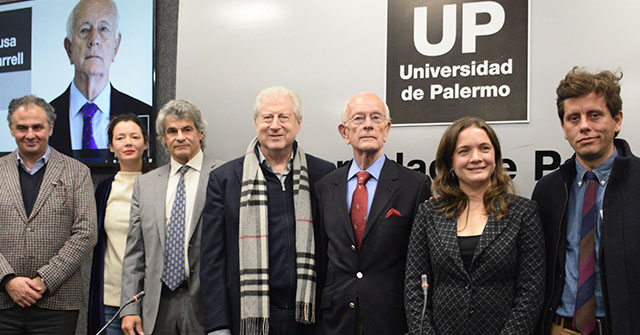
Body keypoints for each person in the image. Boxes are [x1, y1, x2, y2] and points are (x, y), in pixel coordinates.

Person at [200, 86, 335, 335]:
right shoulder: (226, 179)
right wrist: (218, 326)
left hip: (308, 318)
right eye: (267, 117)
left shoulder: (323, 175)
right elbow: (212, 261)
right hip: (247, 317)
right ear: (255, 122)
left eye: (284, 117)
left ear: (298, 123)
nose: (275, 125)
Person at [405, 117, 544, 334]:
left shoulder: (523, 213)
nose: (476, 158)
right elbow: (415, 287)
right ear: (450, 162)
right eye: (464, 151)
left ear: (495, 156)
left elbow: (531, 291)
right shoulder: (429, 214)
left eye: (484, 148)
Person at [533, 68, 640, 334]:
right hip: (562, 328)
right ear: (564, 128)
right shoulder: (547, 191)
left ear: (617, 121)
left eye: (594, 115)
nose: (584, 126)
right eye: (573, 118)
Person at [315, 92, 431, 335]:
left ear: (386, 129)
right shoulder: (325, 187)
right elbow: (323, 260)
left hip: (391, 320)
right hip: (336, 321)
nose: (368, 124)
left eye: (376, 118)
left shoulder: (415, 185)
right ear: (344, 132)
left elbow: (422, 263)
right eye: (358, 118)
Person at [120, 99, 223, 335]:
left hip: (207, 303)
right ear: (163, 139)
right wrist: (129, 308)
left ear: (200, 133)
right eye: (172, 131)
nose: (180, 137)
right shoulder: (145, 184)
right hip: (157, 304)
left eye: (187, 129)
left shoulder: (224, 175)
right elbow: (134, 253)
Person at [0, 95, 97, 334]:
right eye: (22, 128)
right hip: (3, 301)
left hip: (57, 304)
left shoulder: (77, 172)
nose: (30, 134)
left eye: (37, 127)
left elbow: (86, 233)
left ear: (50, 128)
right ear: (11, 129)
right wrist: (7, 280)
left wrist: (44, 280)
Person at [49, 0, 151, 156]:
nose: (94, 40)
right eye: (84, 30)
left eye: (103, 29)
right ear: (69, 48)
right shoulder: (41, 121)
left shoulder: (145, 115)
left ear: (116, 47)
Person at [87, 114, 150, 335]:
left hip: (152, 298)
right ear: (112, 147)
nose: (128, 143)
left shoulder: (160, 184)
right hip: (111, 300)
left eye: (135, 136)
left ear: (146, 143)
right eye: (120, 138)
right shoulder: (103, 191)